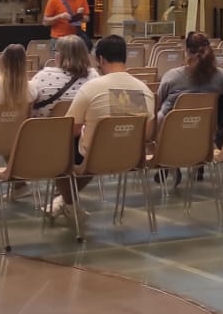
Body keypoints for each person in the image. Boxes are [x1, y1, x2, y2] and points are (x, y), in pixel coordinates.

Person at [61, 34, 154, 213]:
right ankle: (64, 203)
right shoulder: (145, 90)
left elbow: (70, 130)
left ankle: (67, 203)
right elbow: (147, 133)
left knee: (60, 149)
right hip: (132, 157)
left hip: (95, 158)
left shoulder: (91, 88)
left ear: (101, 59)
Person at [156, 30, 223, 133]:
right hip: (205, 136)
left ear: (187, 52)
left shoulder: (171, 76)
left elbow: (158, 103)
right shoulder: (219, 76)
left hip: (170, 136)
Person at [28, 34, 95, 118]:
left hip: (44, 128)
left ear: (60, 55)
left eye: (56, 51)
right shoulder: (93, 76)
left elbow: (27, 99)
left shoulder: (43, 76)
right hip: (80, 129)